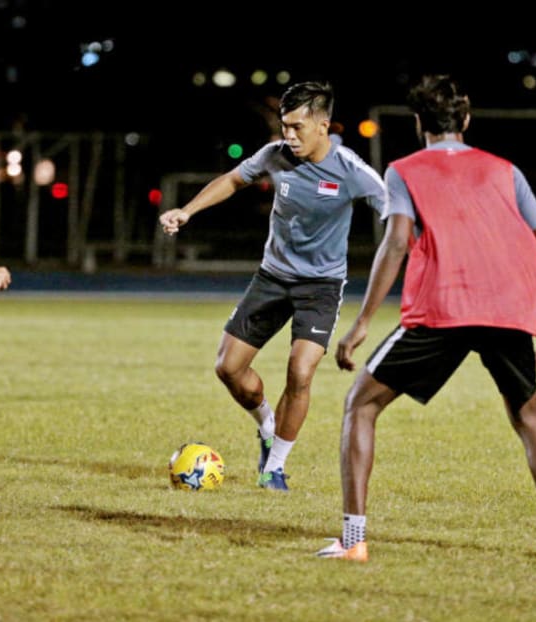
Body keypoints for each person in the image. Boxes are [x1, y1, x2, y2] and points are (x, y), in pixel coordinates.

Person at [316, 74, 536, 563]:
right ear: (467, 121)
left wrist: (362, 322)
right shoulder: (504, 170)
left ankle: (353, 542)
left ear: (419, 125)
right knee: (529, 418)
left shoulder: (404, 170)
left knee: (360, 406)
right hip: (508, 306)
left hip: (446, 305)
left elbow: (396, 242)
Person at [159, 81, 386, 491]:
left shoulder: (351, 169)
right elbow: (231, 180)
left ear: (323, 126)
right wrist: (187, 211)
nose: (289, 136)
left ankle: (274, 467)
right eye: (285, 126)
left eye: (298, 127)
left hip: (320, 286)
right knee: (227, 368)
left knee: (300, 371)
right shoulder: (274, 155)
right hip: (272, 277)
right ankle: (267, 425)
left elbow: (395, 212)